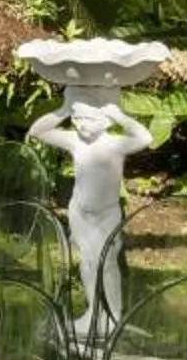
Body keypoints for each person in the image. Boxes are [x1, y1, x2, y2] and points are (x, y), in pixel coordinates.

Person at [27, 98, 153, 336]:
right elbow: (38, 131)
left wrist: (119, 117)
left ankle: (113, 316)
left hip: (106, 213)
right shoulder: (76, 142)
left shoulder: (115, 144)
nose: (82, 125)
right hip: (79, 211)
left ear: (105, 122)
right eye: (77, 119)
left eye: (89, 119)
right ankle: (93, 313)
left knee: (106, 263)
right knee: (87, 262)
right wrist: (64, 110)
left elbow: (145, 138)